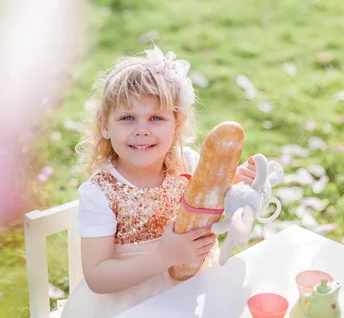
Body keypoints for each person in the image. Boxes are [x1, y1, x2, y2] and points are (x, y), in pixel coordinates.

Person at [60, 46, 257, 317]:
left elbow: (206, 197)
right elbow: (97, 277)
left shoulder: (187, 162)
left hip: (190, 284)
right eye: (127, 118)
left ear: (177, 125)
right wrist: (164, 257)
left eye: (156, 118)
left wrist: (234, 180)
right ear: (104, 124)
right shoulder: (100, 193)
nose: (142, 130)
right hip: (127, 301)